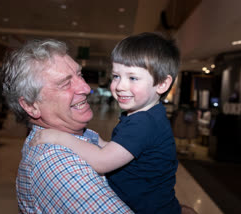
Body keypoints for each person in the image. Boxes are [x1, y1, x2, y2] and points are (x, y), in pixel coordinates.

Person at [32, 32, 182, 213]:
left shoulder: (143, 123)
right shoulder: (146, 116)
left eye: (132, 78)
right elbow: (118, 149)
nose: (120, 86)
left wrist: (58, 137)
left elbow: (101, 162)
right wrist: (97, 141)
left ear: (162, 84)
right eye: (116, 76)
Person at [0, 39, 133, 213]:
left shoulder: (80, 135)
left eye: (80, 75)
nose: (85, 88)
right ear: (31, 106)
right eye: (65, 84)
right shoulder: (57, 163)